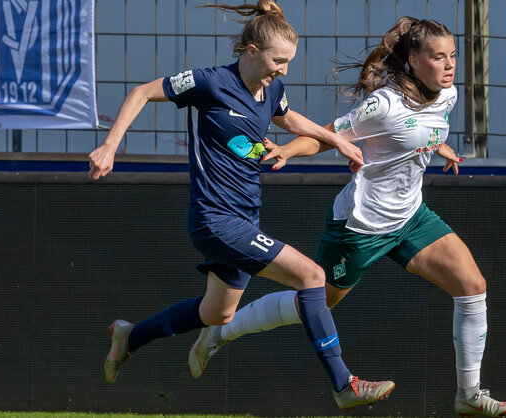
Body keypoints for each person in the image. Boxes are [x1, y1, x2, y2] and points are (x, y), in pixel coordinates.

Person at [187, 16, 506, 417]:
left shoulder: (445, 95)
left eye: (452, 56)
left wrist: (437, 146)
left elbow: (424, 130)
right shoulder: (383, 104)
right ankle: (221, 330)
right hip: (361, 225)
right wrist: (288, 151)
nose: (449, 65)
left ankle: (469, 394)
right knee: (315, 301)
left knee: (472, 285)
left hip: (411, 217)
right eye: (437, 57)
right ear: (412, 60)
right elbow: (327, 135)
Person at [87, 1, 394, 411]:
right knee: (312, 275)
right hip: (215, 220)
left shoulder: (272, 89)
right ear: (250, 51)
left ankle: (129, 337)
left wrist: (337, 140)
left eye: (288, 62)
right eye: (277, 60)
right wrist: (110, 145)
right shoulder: (209, 83)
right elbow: (142, 91)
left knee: (218, 313)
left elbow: (287, 119)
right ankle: (344, 384)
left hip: (245, 216)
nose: (284, 69)